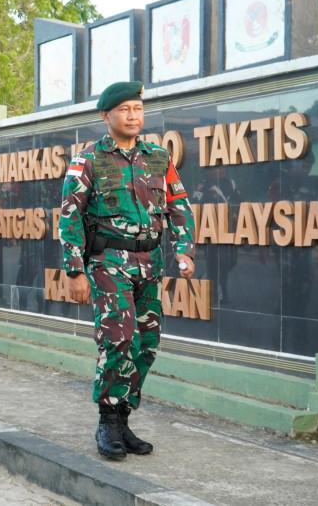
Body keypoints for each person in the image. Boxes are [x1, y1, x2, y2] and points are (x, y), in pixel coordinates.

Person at [59, 81, 196, 461]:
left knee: (147, 345)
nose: (133, 115)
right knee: (118, 339)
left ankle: (123, 417)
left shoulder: (158, 157)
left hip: (149, 264)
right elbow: (69, 214)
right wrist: (74, 270)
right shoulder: (87, 161)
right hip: (107, 264)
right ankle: (107, 421)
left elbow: (178, 205)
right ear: (107, 116)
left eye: (137, 108)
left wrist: (184, 250)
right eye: (124, 109)